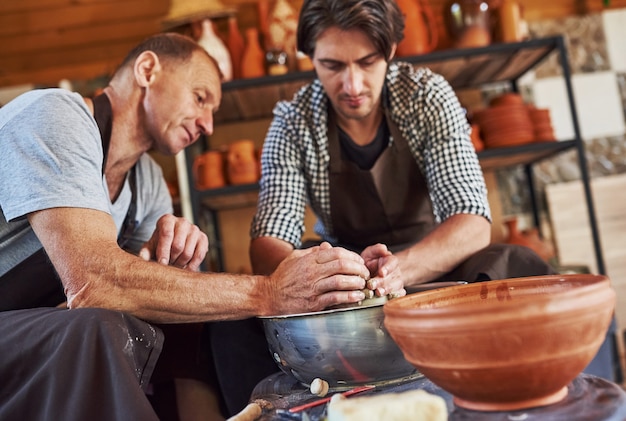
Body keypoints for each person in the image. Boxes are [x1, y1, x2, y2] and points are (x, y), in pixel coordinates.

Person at [0, 33, 372, 421]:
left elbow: (133, 295)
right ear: (147, 70)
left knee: (197, 319)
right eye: (200, 98)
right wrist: (269, 291)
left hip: (28, 329)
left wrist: (171, 271)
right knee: (97, 326)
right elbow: (94, 284)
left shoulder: (147, 184)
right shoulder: (55, 114)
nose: (208, 125)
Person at [250, 0, 554, 293]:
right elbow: (270, 241)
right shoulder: (292, 123)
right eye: (332, 65)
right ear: (310, 55)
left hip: (430, 261)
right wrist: (331, 277)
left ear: (390, 50)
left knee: (514, 263)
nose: (352, 86)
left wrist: (395, 271)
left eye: (367, 62)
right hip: (341, 276)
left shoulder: (426, 97)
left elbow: (471, 221)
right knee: (243, 318)